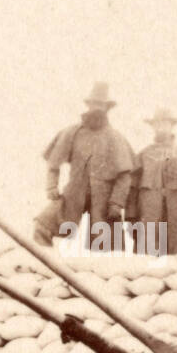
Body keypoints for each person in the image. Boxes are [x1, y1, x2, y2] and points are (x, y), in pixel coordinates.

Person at [33, 81, 137, 250]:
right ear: (88, 106)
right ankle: (47, 264)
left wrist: (117, 203)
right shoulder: (72, 132)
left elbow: (125, 176)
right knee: (43, 226)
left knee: (108, 248)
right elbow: (53, 162)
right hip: (74, 193)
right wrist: (51, 185)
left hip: (104, 200)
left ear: (107, 108)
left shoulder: (115, 138)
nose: (96, 108)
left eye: (100, 105)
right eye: (94, 104)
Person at [128, 107, 177, 255]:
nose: (161, 128)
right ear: (153, 127)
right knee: (147, 262)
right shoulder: (144, 155)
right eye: (157, 124)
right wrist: (131, 218)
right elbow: (132, 191)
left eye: (165, 124)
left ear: (172, 126)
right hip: (149, 218)